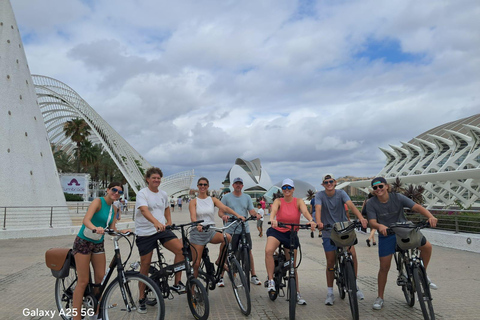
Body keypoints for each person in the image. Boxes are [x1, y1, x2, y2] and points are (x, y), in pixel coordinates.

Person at [366, 177, 438, 310]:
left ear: (387, 186)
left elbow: (416, 207)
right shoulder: (371, 203)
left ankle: (422, 274)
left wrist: (430, 216)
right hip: (387, 234)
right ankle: (380, 297)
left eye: (380, 186)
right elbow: (372, 221)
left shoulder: (397, 197)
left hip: (403, 230)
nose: (378, 189)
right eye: (375, 188)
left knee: (427, 247)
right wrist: (380, 226)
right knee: (384, 267)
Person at [72, 182, 128, 320]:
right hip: (84, 242)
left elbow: (112, 229)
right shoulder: (98, 202)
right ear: (108, 190)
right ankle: (76, 316)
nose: (116, 193)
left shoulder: (114, 209)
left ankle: (95, 314)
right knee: (83, 281)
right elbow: (86, 220)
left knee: (100, 280)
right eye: (114, 190)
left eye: (119, 192)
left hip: (98, 243)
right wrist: (95, 228)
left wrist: (122, 232)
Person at [135, 167, 186, 313]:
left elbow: (166, 208)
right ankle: (141, 298)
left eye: (158, 178)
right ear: (148, 179)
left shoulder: (163, 194)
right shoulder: (142, 193)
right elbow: (144, 210)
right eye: (154, 178)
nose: (156, 180)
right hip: (145, 232)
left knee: (181, 251)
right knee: (145, 265)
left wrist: (168, 221)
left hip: (162, 230)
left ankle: (177, 283)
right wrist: (155, 222)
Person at [315, 174, 368, 306]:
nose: (329, 184)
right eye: (326, 182)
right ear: (323, 184)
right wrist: (319, 222)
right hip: (328, 231)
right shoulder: (320, 195)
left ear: (335, 182)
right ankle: (330, 292)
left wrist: (361, 218)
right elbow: (318, 208)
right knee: (330, 262)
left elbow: (351, 206)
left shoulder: (341, 193)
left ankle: (354, 285)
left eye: (331, 181)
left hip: (343, 229)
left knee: (353, 255)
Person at [265, 179, 316, 305]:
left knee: (292, 266)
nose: (287, 190)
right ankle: (271, 280)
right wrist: (272, 219)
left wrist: (311, 220)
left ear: (293, 189)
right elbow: (274, 211)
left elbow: (305, 211)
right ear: (282, 190)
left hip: (291, 233)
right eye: (284, 188)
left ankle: (297, 293)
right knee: (269, 250)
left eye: (289, 188)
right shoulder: (278, 201)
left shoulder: (298, 201)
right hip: (277, 231)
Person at [190, 177, 243, 284]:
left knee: (227, 237)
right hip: (198, 232)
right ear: (198, 186)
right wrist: (197, 224)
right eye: (200, 184)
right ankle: (192, 289)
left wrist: (238, 215)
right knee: (196, 264)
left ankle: (220, 261)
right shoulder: (194, 201)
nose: (203, 186)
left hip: (210, 230)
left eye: (205, 184)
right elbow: (193, 216)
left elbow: (225, 208)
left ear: (208, 186)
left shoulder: (212, 199)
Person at [219, 177, 263, 286]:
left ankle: (253, 275)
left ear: (242, 186)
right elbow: (220, 212)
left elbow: (251, 210)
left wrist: (255, 215)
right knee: (227, 252)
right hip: (231, 228)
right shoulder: (226, 197)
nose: (238, 185)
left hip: (244, 228)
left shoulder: (247, 197)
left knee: (248, 251)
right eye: (236, 183)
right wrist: (223, 216)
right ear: (233, 185)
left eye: (240, 183)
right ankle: (221, 276)